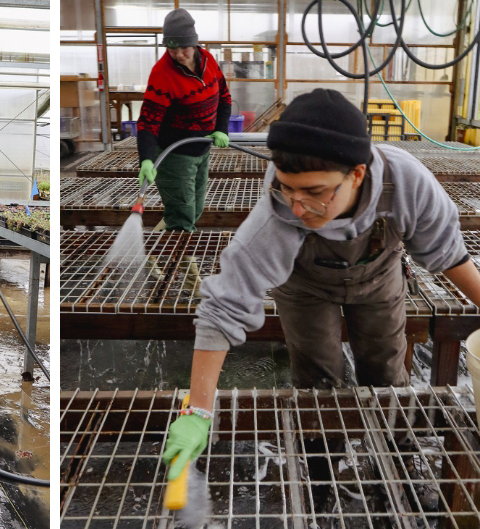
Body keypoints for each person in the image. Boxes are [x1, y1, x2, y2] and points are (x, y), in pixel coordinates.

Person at [162, 89, 480, 483]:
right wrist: (198, 410)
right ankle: (320, 475)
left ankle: (400, 466)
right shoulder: (278, 215)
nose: (297, 207)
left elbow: (453, 258)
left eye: (314, 193)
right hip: (304, 286)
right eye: (286, 188)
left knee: (385, 372)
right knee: (317, 382)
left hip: (379, 278)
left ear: (357, 174)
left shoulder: (407, 184)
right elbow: (223, 306)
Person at [136, 7, 232, 232]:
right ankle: (180, 264)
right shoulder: (162, 74)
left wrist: (221, 129)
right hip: (175, 155)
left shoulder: (209, 60)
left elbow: (225, 98)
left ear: (194, 43)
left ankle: (160, 248)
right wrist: (146, 160)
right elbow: (148, 122)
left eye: (184, 47)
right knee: (183, 216)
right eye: (171, 48)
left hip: (202, 150)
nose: (178, 54)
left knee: (194, 209)